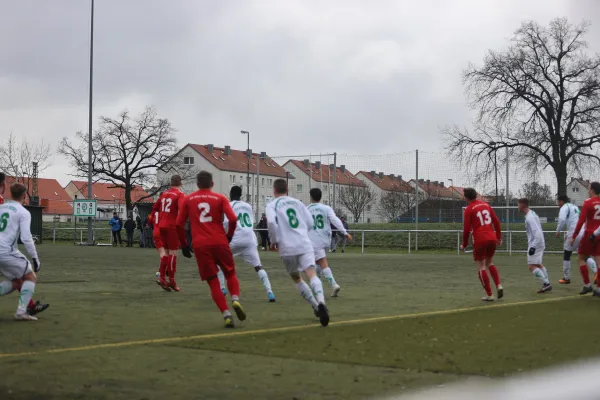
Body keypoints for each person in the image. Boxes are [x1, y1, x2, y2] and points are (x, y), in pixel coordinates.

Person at [177, 171, 246, 328]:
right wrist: (228, 236)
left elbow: (179, 224)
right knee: (230, 273)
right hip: (220, 241)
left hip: (200, 245)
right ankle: (235, 299)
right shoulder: (221, 198)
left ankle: (226, 314)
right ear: (212, 184)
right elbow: (233, 219)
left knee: (213, 280)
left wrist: (184, 244)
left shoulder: (188, 199)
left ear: (197, 184)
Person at [266, 178, 329, 327]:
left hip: (287, 247)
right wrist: (301, 233)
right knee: (312, 273)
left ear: (274, 190)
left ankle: (315, 306)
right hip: (304, 243)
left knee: (297, 278)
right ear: (287, 190)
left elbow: (270, 223)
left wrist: (274, 241)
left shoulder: (271, 205)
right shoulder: (298, 203)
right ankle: (321, 301)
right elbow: (310, 223)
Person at [0, 174, 48, 316]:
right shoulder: (23, 212)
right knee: (31, 277)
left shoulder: (2, 206)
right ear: (24, 196)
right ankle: (21, 312)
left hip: (3, 250)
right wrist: (35, 258)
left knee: (17, 281)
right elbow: (26, 238)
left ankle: (28, 307)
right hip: (5, 251)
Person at [221, 186, 275, 302]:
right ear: (240, 195)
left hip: (235, 239)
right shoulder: (248, 206)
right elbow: (251, 221)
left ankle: (222, 289)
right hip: (250, 240)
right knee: (258, 266)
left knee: (218, 262)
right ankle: (270, 292)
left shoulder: (229, 206)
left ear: (230, 194)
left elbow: (226, 223)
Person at [461, 188, 504, 301]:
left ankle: (489, 294)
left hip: (480, 239)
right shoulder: (486, 205)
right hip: (491, 237)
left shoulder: (469, 209)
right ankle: (499, 285)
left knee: (481, 266)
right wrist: (499, 237)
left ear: (466, 198)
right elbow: (496, 222)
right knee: (490, 262)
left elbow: (466, 230)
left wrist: (464, 244)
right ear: (475, 195)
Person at [307, 188, 351, 297]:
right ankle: (317, 285)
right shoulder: (326, 208)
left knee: (321, 263)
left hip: (314, 241)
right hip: (326, 240)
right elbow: (335, 220)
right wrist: (344, 232)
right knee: (317, 262)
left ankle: (333, 284)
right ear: (320, 197)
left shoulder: (306, 209)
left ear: (311, 197)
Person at [555, 195, 597, 285]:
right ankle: (597, 272)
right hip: (582, 231)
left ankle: (566, 278)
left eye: (558, 201)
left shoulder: (564, 207)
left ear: (562, 201)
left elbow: (562, 220)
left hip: (574, 233)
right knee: (584, 255)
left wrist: (558, 231)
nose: (558, 204)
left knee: (567, 254)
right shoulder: (574, 206)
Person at [153, 177, 185, 291]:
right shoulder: (180, 195)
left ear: (171, 184)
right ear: (180, 184)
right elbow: (182, 209)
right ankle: (171, 280)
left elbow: (156, 208)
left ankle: (162, 277)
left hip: (161, 225)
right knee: (173, 253)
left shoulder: (164, 194)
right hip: (172, 226)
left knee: (165, 253)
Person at [571, 182, 600, 296]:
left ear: (592, 190)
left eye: (589, 189)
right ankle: (599, 289)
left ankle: (587, 285)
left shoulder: (588, 203)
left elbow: (581, 221)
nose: (588, 191)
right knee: (599, 262)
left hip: (589, 234)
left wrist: (574, 236)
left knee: (581, 258)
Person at [519, 198, 552, 293]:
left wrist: (533, 246)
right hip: (539, 242)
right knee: (538, 264)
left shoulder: (530, 217)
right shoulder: (532, 213)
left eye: (518, 204)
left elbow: (537, 232)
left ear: (522, 205)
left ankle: (546, 284)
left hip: (536, 242)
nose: (518, 206)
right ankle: (547, 283)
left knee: (531, 266)